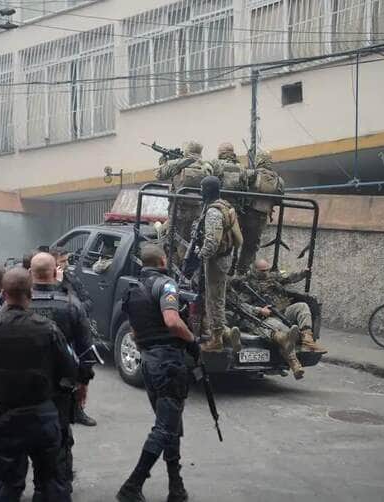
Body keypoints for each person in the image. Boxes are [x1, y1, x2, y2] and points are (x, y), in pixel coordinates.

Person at [0, 268, 78, 501]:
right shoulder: (48, 329)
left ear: (3, 293)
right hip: (43, 416)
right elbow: (70, 370)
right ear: (29, 293)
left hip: (4, 418)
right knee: (52, 482)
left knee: (4, 485)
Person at [116, 244, 196, 502]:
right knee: (164, 427)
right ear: (163, 260)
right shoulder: (165, 284)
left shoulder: (132, 290)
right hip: (169, 362)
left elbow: (136, 333)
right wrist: (192, 340)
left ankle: (176, 487)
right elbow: (172, 321)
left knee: (171, 425)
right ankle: (132, 485)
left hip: (150, 362)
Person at [27, 252, 96, 496]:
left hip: (18, 391)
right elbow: (86, 350)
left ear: (30, 273)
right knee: (59, 443)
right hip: (59, 389)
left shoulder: (13, 302)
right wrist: (83, 383)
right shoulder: (71, 305)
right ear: (55, 271)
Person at [50, 247, 99, 428]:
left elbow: (88, 301)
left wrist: (76, 312)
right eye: (62, 262)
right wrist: (58, 284)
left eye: (66, 261)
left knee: (77, 373)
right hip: (54, 335)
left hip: (72, 333)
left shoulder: (72, 279)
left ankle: (78, 410)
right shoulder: (47, 281)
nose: (66, 265)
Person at [198, 176, 243, 353]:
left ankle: (216, 339)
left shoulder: (213, 212)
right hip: (225, 258)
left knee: (213, 300)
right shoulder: (226, 206)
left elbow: (211, 242)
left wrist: (200, 256)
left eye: (202, 188)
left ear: (208, 190)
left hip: (215, 261)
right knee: (218, 298)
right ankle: (225, 333)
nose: (200, 191)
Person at [245, 259, 326, 354]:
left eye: (267, 269)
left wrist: (303, 273)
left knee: (302, 306)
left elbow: (288, 277)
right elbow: (243, 305)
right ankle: (290, 347)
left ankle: (307, 340)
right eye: (263, 271)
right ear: (255, 270)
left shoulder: (273, 276)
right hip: (268, 317)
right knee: (286, 331)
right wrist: (259, 310)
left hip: (283, 310)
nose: (266, 273)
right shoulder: (247, 284)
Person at [226, 284, 304, 379]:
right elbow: (240, 306)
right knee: (260, 327)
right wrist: (259, 310)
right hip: (236, 319)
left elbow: (239, 304)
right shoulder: (217, 289)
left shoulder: (230, 289)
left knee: (272, 328)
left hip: (248, 317)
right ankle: (292, 360)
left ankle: (293, 361)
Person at [156, 141, 214, 262]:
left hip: (178, 212)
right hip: (199, 212)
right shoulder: (207, 167)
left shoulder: (177, 164)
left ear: (187, 151)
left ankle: (178, 268)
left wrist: (163, 163)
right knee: (192, 240)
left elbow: (159, 174)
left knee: (171, 240)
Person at [236, 150, 285, 275]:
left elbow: (240, 189)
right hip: (262, 217)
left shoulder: (252, 174)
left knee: (235, 241)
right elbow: (279, 200)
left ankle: (234, 269)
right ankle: (243, 271)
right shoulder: (278, 180)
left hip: (244, 213)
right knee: (251, 246)